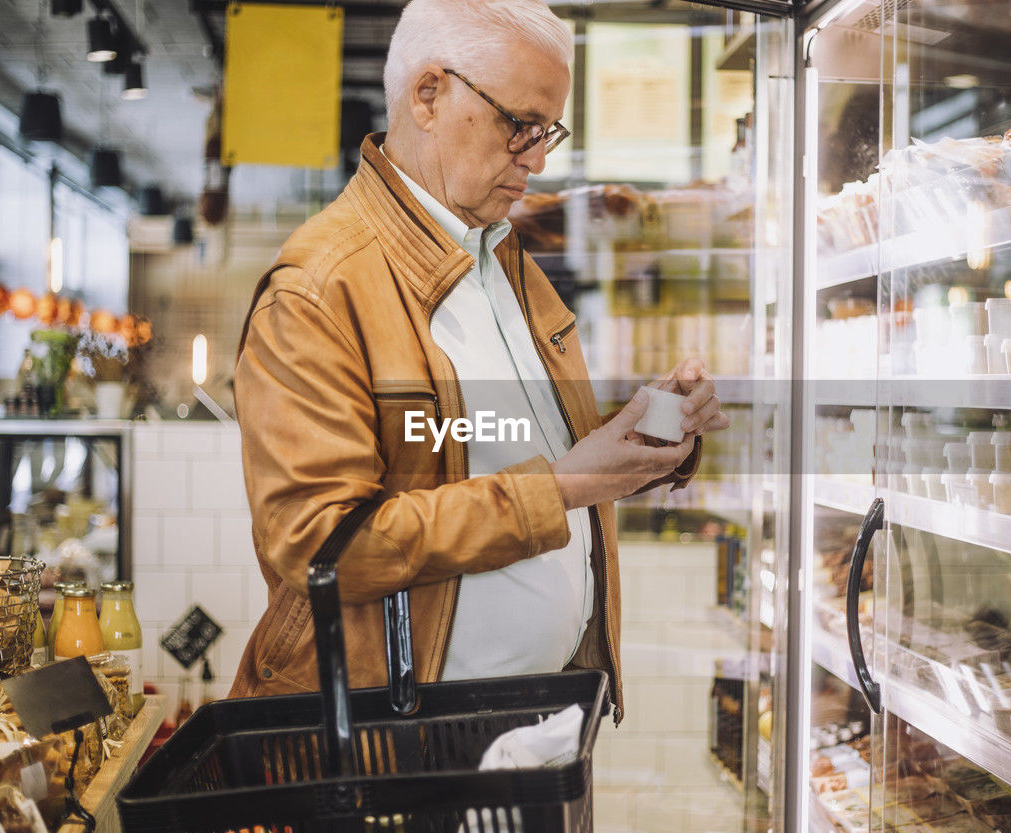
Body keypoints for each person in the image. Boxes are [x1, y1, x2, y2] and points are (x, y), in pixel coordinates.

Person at [228, 0, 729, 722]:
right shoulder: (319, 287)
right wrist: (562, 484)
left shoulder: (499, 254)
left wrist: (649, 433)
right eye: (518, 124)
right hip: (395, 755)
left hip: (531, 733)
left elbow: (532, 460)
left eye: (548, 130)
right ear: (428, 95)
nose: (538, 157)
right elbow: (320, 547)